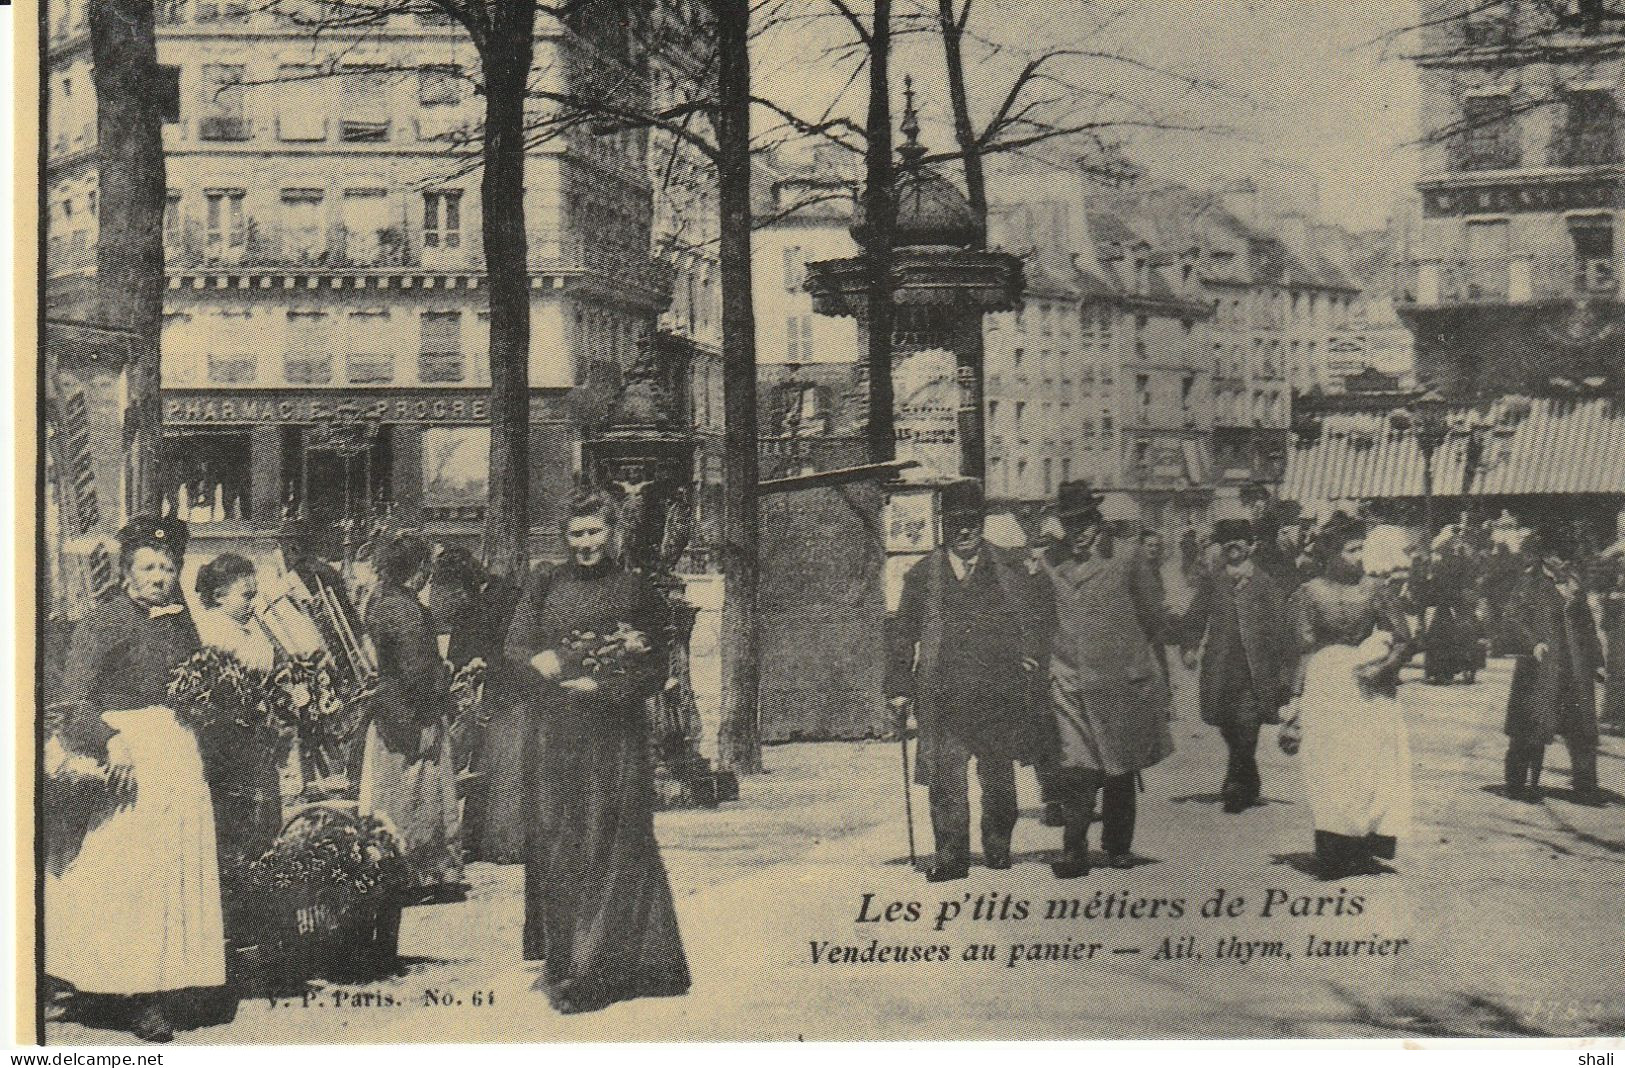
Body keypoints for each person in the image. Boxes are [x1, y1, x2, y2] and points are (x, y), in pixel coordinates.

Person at [505, 492, 690, 1013]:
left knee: (614, 841)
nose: (585, 544)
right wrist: (559, 670)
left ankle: (606, 968)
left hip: (614, 739)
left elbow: (656, 665)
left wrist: (608, 689)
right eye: (576, 534)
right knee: (561, 841)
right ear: (566, 536)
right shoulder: (546, 582)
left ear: (613, 533)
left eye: (594, 533)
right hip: (556, 733)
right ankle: (565, 960)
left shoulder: (634, 590)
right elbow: (516, 649)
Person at [47, 518, 224, 1043]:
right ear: (127, 572)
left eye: (168, 568)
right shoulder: (105, 620)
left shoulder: (178, 622)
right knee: (130, 871)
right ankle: (128, 991)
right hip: (125, 754)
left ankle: (164, 980)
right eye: (148, 567)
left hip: (176, 750)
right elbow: (73, 699)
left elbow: (197, 679)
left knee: (171, 864)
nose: (160, 577)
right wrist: (110, 740)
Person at [888, 478, 1050, 881]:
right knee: (946, 778)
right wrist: (897, 687)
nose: (965, 530)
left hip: (998, 692)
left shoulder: (1009, 568)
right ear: (943, 524)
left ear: (983, 522)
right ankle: (951, 855)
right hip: (944, 695)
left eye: (972, 521)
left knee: (998, 776)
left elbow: (1035, 616)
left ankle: (997, 845)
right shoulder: (923, 575)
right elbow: (902, 634)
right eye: (956, 521)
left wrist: (1031, 653)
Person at [1038, 482, 1174, 878]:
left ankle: (1117, 846)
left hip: (1119, 680)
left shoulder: (1127, 558)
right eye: (1069, 524)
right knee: (1076, 766)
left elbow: (1153, 616)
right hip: (1069, 680)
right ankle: (1074, 849)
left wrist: (1131, 655)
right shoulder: (1049, 562)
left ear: (1097, 522)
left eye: (1083, 522)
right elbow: (1041, 614)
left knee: (1120, 765)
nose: (1076, 532)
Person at [1281, 516, 1416, 880]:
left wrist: (1382, 668)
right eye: (1351, 550)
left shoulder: (1376, 590)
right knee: (1329, 767)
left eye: (1361, 549)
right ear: (1331, 554)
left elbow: (1405, 639)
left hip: (1368, 688)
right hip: (1326, 687)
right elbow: (1303, 651)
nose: (1359, 557)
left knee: (1371, 765)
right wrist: (1294, 701)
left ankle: (1365, 845)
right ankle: (1333, 851)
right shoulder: (1307, 595)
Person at [193, 553, 284, 977]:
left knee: (262, 829)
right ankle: (232, 933)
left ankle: (255, 931)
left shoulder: (249, 629)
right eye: (246, 595)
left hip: (258, 745)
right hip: (227, 749)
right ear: (217, 596)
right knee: (232, 834)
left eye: (254, 594)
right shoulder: (212, 632)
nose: (252, 602)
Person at [358, 533, 463, 893]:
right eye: (427, 568)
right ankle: (419, 874)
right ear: (418, 569)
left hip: (389, 710)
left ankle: (392, 867)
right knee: (419, 794)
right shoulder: (407, 610)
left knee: (394, 793)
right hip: (412, 713)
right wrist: (433, 706)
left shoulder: (381, 599)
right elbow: (415, 671)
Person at [1179, 518, 1296, 814]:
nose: (1233, 547)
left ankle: (1235, 782)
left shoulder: (1266, 583)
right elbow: (1195, 616)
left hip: (1256, 669)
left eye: (1239, 541)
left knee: (1247, 723)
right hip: (1220, 666)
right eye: (1227, 542)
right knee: (1228, 725)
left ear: (1251, 546)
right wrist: (1190, 646)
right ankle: (1248, 773)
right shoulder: (1213, 581)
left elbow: (1282, 627)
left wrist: (1284, 668)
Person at [1502, 531, 1607, 805]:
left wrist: (1596, 661)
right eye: (1561, 557)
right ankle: (1517, 783)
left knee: (1581, 728)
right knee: (1531, 727)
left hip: (1574, 666)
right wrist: (1532, 642)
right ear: (1547, 557)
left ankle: (1586, 787)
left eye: (1568, 557)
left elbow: (1587, 626)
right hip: (1541, 668)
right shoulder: (1529, 583)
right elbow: (1512, 617)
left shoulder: (1574, 584)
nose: (1565, 562)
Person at [1416, 534, 1488, 685]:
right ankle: (1466, 668)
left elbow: (1435, 586)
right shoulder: (1464, 562)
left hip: (1446, 604)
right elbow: (1471, 581)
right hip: (1459, 603)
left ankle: (1440, 672)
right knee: (1466, 634)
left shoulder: (1439, 565)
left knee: (1440, 638)